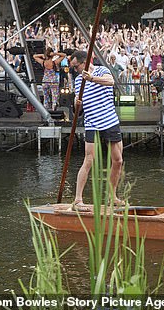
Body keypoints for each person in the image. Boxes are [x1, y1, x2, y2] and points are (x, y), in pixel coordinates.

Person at [70, 50, 124, 210]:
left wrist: (92, 78)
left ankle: (112, 197)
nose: (75, 70)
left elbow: (110, 82)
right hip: (92, 122)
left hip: (109, 120)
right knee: (89, 160)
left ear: (84, 63)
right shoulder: (78, 81)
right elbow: (78, 108)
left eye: (76, 67)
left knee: (118, 160)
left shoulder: (102, 70)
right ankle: (78, 199)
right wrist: (76, 104)